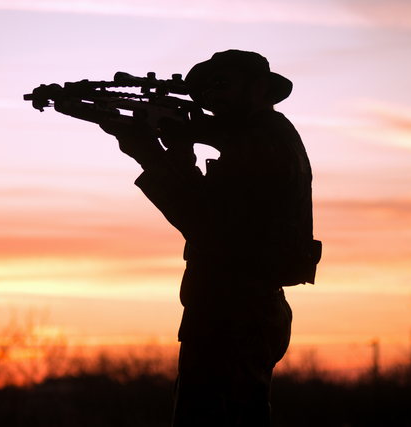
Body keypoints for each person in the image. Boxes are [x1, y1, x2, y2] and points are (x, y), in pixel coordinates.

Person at [100, 50, 321, 427]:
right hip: (241, 312)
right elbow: (213, 213)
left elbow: (208, 230)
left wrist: (150, 156)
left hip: (233, 318)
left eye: (221, 85)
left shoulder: (264, 143)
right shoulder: (265, 140)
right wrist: (179, 154)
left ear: (260, 88)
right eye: (204, 93)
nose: (211, 98)